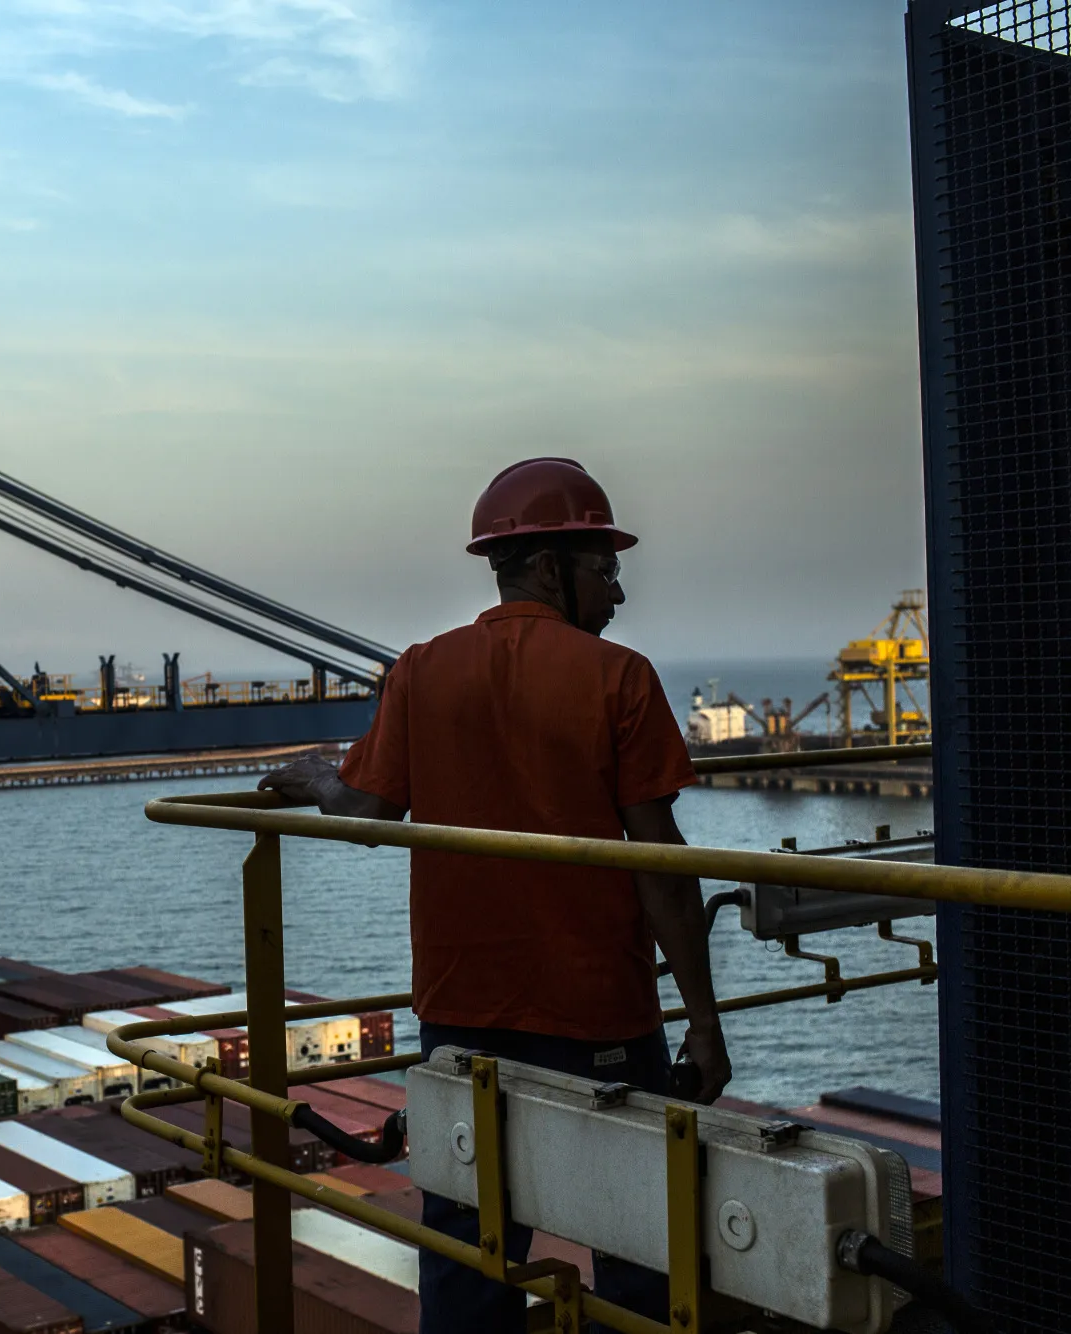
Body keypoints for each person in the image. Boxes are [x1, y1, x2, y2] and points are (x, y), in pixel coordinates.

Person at [261, 457, 728, 1334]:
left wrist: (313, 776)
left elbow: (362, 803)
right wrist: (704, 1020)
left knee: (468, 1247)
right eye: (606, 568)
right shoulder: (619, 677)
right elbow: (660, 859)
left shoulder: (421, 671)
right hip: (598, 1016)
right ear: (551, 566)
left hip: (459, 1016)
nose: (619, 592)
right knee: (636, 1245)